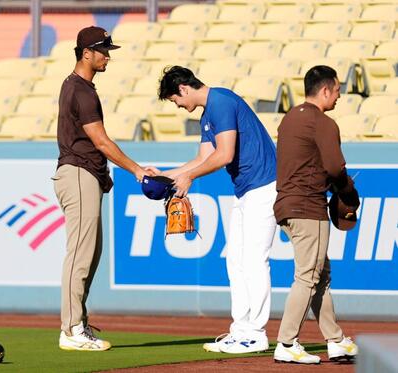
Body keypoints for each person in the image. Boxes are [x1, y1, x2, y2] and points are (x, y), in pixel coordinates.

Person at [149, 66, 277, 354]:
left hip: (265, 186)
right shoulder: (208, 112)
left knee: (255, 260)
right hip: (246, 190)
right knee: (235, 260)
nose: (178, 106)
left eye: (174, 100)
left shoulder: (220, 101)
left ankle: (255, 333)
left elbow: (225, 155)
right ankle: (241, 329)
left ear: (183, 89)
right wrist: (165, 176)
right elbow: (202, 158)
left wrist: (190, 177)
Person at [52, 26, 153, 351]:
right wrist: (136, 170)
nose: (107, 55)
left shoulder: (81, 87)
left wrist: (102, 172)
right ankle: (70, 330)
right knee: (80, 254)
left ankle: (77, 322)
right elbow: (101, 142)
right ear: (86, 53)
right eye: (102, 50)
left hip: (85, 173)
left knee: (90, 254)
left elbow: (94, 144)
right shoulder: (80, 90)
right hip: (77, 174)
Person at [273, 65, 359, 364]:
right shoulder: (322, 121)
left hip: (286, 204)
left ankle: (335, 341)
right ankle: (286, 342)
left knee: (319, 276)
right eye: (337, 91)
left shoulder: (289, 119)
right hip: (308, 207)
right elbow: (335, 168)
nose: (338, 97)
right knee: (308, 276)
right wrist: (349, 194)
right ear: (325, 90)